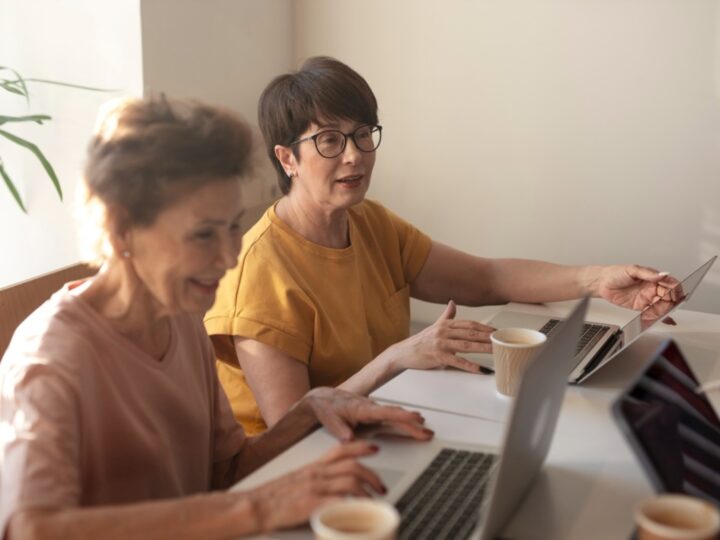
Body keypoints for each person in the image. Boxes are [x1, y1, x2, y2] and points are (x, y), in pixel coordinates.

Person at [0, 95, 433, 540]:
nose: (229, 257)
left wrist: (309, 410)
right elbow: (31, 528)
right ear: (120, 228)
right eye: (204, 234)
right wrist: (254, 508)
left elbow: (223, 472)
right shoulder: (49, 358)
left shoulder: (182, 316)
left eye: (232, 227)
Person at [204, 56, 680, 436]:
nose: (354, 155)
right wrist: (396, 357)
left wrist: (597, 280)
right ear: (287, 158)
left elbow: (487, 278)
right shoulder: (259, 272)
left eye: (363, 134)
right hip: (302, 464)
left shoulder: (370, 222)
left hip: (383, 419)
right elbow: (292, 426)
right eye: (330, 140)